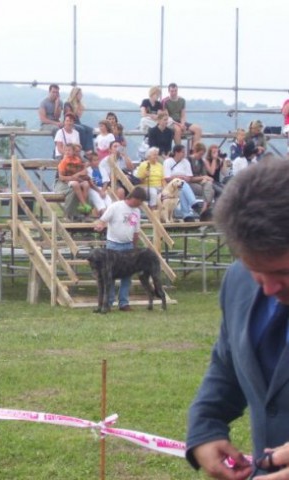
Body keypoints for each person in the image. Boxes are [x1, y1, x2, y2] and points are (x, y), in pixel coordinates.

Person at [185, 159, 289, 479]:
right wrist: (205, 426)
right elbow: (228, 362)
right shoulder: (238, 281)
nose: (269, 287)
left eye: (283, 272)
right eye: (256, 270)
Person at [93, 187, 147, 312]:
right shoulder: (115, 206)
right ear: (134, 198)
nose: (140, 204)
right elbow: (102, 220)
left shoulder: (137, 211)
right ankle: (109, 302)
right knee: (109, 276)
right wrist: (100, 226)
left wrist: (135, 247)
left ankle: (124, 302)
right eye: (140, 201)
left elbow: (136, 231)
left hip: (128, 246)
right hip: (113, 246)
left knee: (127, 276)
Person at [162, 144, 201, 222]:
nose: (184, 154)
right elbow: (167, 178)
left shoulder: (186, 162)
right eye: (182, 152)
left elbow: (189, 177)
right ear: (176, 152)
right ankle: (193, 204)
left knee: (182, 187)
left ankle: (187, 216)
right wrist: (179, 177)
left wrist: (182, 178)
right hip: (171, 184)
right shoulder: (168, 162)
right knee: (182, 184)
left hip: (183, 184)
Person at [53, 143, 92, 218]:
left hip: (77, 179)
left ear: (73, 151)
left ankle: (82, 206)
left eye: (69, 150)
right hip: (67, 181)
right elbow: (61, 177)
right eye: (66, 150)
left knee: (86, 184)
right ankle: (84, 205)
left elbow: (81, 170)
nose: (67, 152)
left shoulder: (77, 160)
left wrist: (83, 171)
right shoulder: (63, 162)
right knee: (75, 184)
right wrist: (74, 177)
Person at [162, 82, 202, 146]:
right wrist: (180, 125)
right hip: (171, 122)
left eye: (175, 91)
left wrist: (182, 124)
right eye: (172, 91)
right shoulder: (164, 101)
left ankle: (193, 151)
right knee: (178, 130)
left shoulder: (182, 100)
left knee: (198, 129)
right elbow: (167, 117)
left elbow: (183, 115)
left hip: (180, 121)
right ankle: (179, 150)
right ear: (169, 91)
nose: (174, 93)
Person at [62, 87, 94, 153]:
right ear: (75, 94)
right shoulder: (68, 104)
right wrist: (76, 110)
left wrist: (79, 108)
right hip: (71, 122)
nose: (81, 95)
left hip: (77, 122)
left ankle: (89, 150)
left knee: (89, 129)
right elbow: (69, 115)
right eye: (79, 94)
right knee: (81, 129)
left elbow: (79, 116)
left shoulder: (79, 104)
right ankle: (81, 149)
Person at [86, 153, 112, 217]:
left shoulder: (102, 169)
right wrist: (99, 191)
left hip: (102, 188)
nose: (96, 162)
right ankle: (103, 216)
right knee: (99, 201)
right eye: (94, 160)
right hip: (93, 189)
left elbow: (105, 181)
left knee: (108, 201)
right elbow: (91, 183)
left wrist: (102, 191)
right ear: (90, 162)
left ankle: (110, 217)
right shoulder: (88, 170)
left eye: (97, 160)